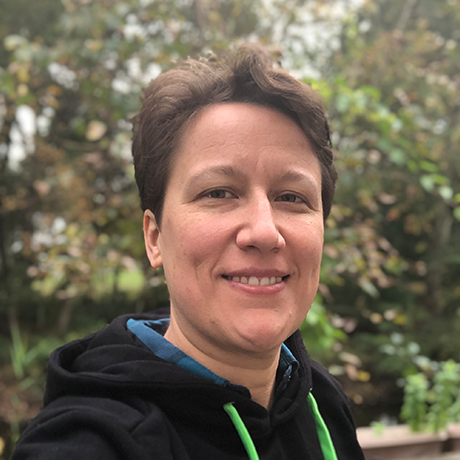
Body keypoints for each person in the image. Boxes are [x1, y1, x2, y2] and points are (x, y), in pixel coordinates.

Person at [12, 44, 364, 460]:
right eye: (219, 193)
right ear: (154, 238)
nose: (264, 232)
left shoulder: (323, 401)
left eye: (291, 197)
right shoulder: (90, 444)